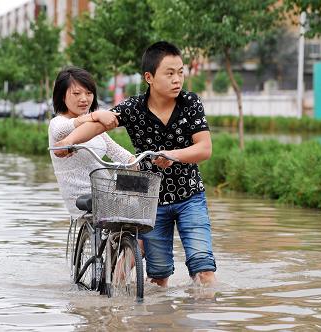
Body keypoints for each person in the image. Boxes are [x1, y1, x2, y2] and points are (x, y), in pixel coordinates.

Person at [53, 41, 217, 287]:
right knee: (159, 276)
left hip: (190, 197)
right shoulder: (134, 108)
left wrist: (173, 155)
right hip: (152, 202)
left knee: (203, 268)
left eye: (181, 72)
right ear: (149, 77)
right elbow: (100, 126)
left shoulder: (190, 103)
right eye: (169, 73)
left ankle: (205, 317)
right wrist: (68, 144)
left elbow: (204, 148)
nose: (177, 80)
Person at [48, 66, 133, 218]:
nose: (84, 99)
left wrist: (140, 162)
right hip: (81, 198)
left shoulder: (93, 127)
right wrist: (95, 115)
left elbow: (116, 151)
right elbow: (60, 130)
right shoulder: (57, 122)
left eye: (89, 93)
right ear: (62, 96)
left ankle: (134, 242)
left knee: (145, 189)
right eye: (76, 93)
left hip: (106, 190)